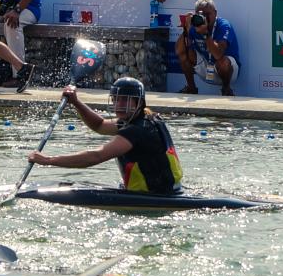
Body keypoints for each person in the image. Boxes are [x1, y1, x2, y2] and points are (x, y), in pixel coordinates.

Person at [27, 76, 183, 196]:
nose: (119, 105)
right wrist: (76, 102)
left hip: (154, 195)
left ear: (139, 103)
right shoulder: (147, 118)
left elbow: (96, 156)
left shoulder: (137, 130)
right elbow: (100, 125)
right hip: (167, 190)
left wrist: (48, 160)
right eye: (116, 99)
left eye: (126, 100)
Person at [178, 0, 240, 96]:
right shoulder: (196, 25)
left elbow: (218, 54)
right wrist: (186, 29)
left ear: (215, 13)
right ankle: (191, 88)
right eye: (201, 15)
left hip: (228, 71)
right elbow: (179, 51)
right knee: (184, 54)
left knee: (222, 61)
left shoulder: (224, 25)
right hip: (207, 67)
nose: (205, 18)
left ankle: (226, 89)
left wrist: (206, 34)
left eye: (208, 14)